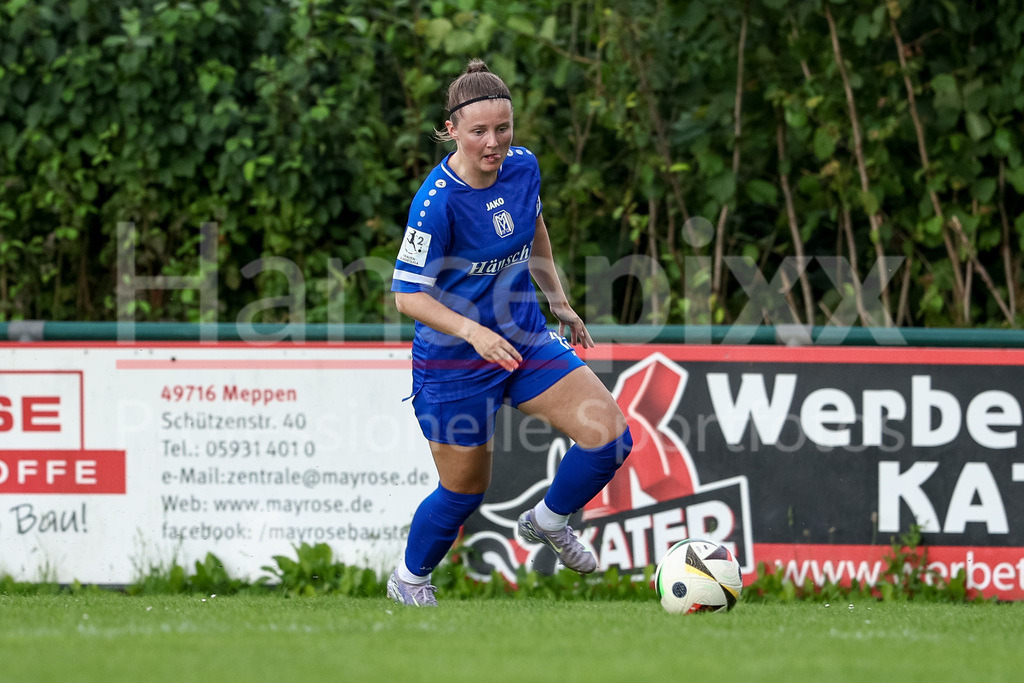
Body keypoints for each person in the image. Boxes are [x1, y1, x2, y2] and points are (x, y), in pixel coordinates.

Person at [386, 59, 633, 606]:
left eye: (503, 129)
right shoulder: (436, 202)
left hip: (524, 338)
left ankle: (548, 520)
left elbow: (533, 225)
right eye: (479, 132)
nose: (493, 143)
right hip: (455, 361)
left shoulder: (523, 167)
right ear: (451, 131)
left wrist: (558, 299)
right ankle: (410, 580)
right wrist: (473, 333)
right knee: (463, 492)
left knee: (610, 438)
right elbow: (407, 295)